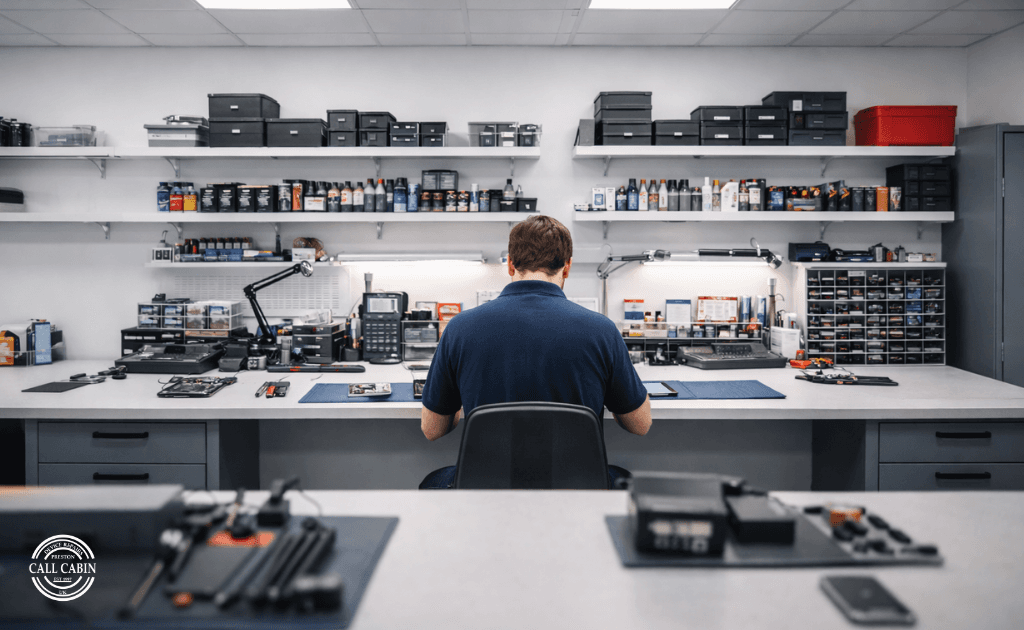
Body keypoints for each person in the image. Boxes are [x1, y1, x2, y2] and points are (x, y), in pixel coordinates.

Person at [419, 214, 652, 488]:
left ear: (510, 264)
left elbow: (432, 429)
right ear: (567, 267)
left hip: (484, 491)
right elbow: (640, 424)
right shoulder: (601, 330)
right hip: (578, 490)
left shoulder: (460, 328)